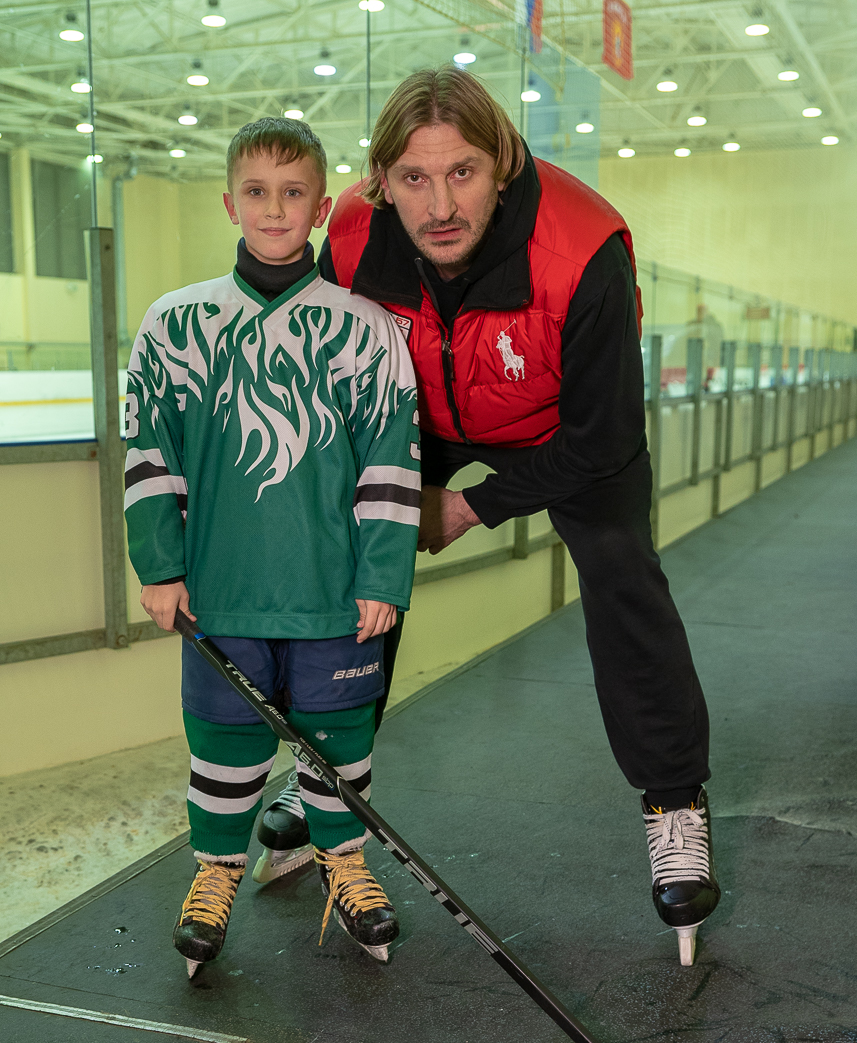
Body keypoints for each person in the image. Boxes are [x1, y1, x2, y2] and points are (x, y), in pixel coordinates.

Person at [319, 68, 719, 967]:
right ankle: (327, 770)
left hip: (558, 431)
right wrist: (376, 496)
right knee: (352, 553)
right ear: (381, 182)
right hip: (418, 418)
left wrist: (468, 506)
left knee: (619, 567)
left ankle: (673, 801)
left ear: (499, 164)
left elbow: (605, 436)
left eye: (461, 173)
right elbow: (324, 372)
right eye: (414, 179)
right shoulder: (347, 236)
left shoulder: (582, 246)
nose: (439, 206)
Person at [124, 117, 420, 975]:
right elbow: (149, 451)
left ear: (321, 208)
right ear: (230, 203)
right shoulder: (175, 323)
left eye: (294, 193)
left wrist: (382, 576)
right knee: (222, 741)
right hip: (221, 590)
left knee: (339, 741)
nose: (275, 208)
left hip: (334, 594)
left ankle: (344, 861)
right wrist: (160, 566)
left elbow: (391, 461)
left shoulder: (367, 329)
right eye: (256, 191)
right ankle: (216, 870)